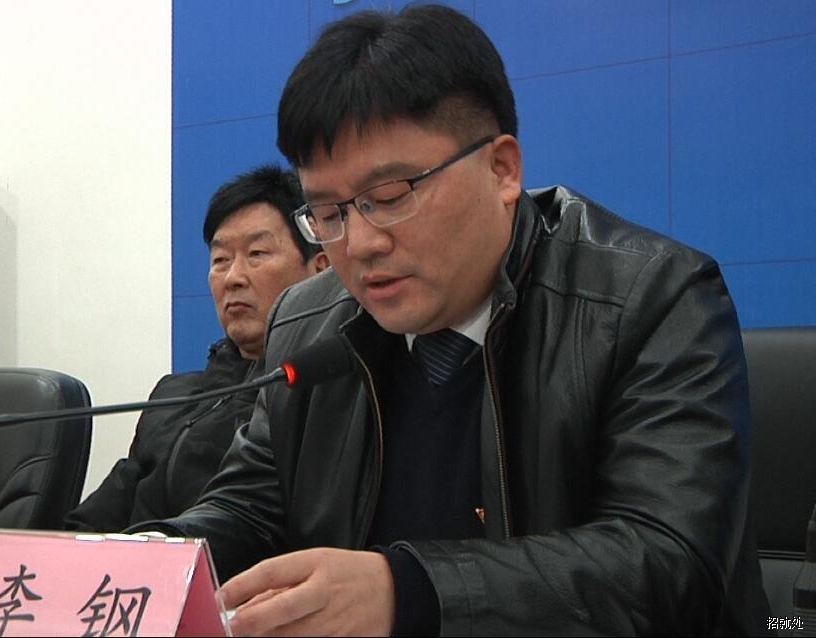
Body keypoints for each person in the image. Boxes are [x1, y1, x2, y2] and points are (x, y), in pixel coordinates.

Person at [140, 5, 770, 635]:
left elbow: (666, 565)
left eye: (390, 197)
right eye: (329, 214)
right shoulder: (307, 320)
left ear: (502, 169)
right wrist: (147, 564)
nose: (360, 244)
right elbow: (251, 509)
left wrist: (408, 593)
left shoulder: (651, 301)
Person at [65, 165, 326, 531]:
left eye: (257, 253)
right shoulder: (173, 395)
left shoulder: (321, 398)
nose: (233, 278)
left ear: (320, 269)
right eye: (220, 260)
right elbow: (97, 518)